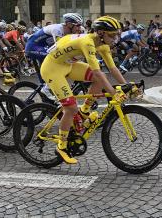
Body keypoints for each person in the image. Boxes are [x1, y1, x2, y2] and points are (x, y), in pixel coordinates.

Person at [40, 16, 126, 164]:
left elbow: (112, 69)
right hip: (52, 68)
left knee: (99, 78)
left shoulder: (103, 45)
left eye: (117, 34)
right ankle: (61, 146)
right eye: (112, 35)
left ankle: (85, 111)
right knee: (71, 108)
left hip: (68, 64)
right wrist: (113, 93)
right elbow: (97, 70)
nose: (115, 38)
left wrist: (127, 85)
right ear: (100, 33)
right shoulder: (87, 42)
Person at [25, 13, 84, 93]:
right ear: (69, 24)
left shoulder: (71, 31)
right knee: (54, 60)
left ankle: (47, 88)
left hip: (43, 47)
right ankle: (46, 88)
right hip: (33, 46)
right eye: (78, 25)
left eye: (80, 25)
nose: (79, 28)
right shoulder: (57, 29)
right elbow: (61, 48)